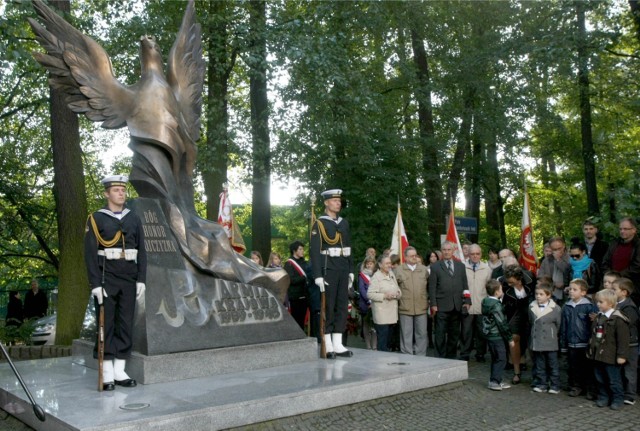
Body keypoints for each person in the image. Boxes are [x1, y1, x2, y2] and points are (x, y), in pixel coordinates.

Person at [84, 175, 146, 391]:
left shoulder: (133, 218)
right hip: (106, 276)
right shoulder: (96, 218)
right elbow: (90, 254)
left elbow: (142, 251)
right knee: (107, 324)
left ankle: (120, 370)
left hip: (129, 276)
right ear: (106, 194)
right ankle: (107, 372)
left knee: (125, 323)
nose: (122, 193)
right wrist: (95, 284)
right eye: (116, 189)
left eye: (123, 189)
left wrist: (141, 279)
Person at [310, 189, 354, 358]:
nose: (338, 203)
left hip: (343, 267)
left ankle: (338, 343)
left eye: (339, 200)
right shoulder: (320, 224)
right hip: (328, 268)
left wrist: (351, 270)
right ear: (327, 203)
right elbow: (315, 251)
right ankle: (327, 344)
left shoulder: (344, 223)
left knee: (342, 306)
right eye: (335, 200)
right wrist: (318, 275)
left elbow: (349, 247)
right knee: (328, 306)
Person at [587, 289, 630, 410]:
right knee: (600, 378)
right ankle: (603, 397)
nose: (598, 304)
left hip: (611, 356)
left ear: (610, 303)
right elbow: (593, 336)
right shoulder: (598, 317)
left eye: (601, 302)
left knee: (614, 379)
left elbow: (623, 340)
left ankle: (617, 398)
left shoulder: (618, 319)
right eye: (597, 302)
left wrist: (622, 355)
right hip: (597, 354)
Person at [428, 241, 469, 359]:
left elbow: (465, 285)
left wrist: (467, 301)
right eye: (444, 250)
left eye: (448, 250)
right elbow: (432, 287)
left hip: (457, 306)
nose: (446, 252)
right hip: (441, 306)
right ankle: (439, 358)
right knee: (440, 334)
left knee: (454, 335)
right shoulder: (435, 266)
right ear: (441, 251)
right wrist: (433, 304)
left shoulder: (460, 266)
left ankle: (451, 358)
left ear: (453, 251)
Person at [560, 279, 598, 398]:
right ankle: (576, 386)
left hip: (585, 342)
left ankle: (590, 389)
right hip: (571, 342)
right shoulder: (566, 307)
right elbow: (563, 327)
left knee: (587, 367)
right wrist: (563, 344)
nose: (571, 291)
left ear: (583, 292)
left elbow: (592, 326)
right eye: (570, 289)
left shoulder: (589, 306)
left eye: (574, 289)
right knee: (573, 367)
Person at [501, 265, 534, 384]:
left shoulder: (530, 280)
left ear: (518, 278)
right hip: (514, 314)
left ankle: (537, 372)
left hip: (530, 312)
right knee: (514, 339)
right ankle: (516, 371)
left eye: (511, 282)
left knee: (530, 340)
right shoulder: (504, 285)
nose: (508, 284)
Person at [394, 246, 429, 356]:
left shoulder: (423, 269)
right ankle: (406, 357)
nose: (414, 257)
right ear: (405, 257)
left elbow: (429, 286)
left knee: (422, 333)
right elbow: (394, 287)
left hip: (421, 306)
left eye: (415, 255)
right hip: (405, 307)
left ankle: (421, 356)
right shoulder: (398, 270)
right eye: (412, 256)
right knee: (406, 334)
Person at [482, 279, 515, 391]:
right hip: (496, 336)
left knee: (495, 358)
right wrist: (509, 338)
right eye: (501, 289)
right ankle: (494, 381)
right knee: (501, 358)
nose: (502, 291)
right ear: (497, 292)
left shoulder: (485, 302)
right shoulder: (496, 305)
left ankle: (497, 379)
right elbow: (502, 323)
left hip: (489, 335)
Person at [461, 244, 492, 362]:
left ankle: (480, 353)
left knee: (481, 332)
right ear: (468, 254)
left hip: (481, 304)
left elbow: (490, 287)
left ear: (481, 254)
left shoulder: (487, 268)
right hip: (467, 305)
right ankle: (465, 353)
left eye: (477, 254)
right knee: (466, 331)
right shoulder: (462, 267)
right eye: (472, 254)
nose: (475, 256)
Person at [529, 282, 561, 394]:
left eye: (541, 294)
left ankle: (555, 385)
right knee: (540, 364)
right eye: (536, 294)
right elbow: (531, 322)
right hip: (537, 341)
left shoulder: (556, 308)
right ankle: (541, 383)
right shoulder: (531, 307)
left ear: (548, 295)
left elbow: (558, 324)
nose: (538, 296)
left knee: (553, 364)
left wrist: (552, 334)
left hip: (550, 341)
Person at [612, 278, 639, 405]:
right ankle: (620, 392)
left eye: (614, 289)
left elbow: (630, 321)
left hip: (630, 343)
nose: (612, 292)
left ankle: (630, 395)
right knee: (619, 370)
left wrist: (615, 313)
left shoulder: (629, 306)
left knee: (630, 370)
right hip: (619, 342)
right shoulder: (615, 304)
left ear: (624, 292)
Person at [602, 217, 640, 306]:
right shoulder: (614, 243)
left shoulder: (638, 245)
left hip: (631, 287)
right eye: (620, 229)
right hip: (611, 286)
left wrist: (618, 277)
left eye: (625, 229)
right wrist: (609, 277)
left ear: (634, 230)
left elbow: (637, 266)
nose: (622, 231)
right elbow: (605, 262)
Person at [367, 255, 401, 352]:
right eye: (386, 263)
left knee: (389, 341)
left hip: (392, 314)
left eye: (390, 263)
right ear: (380, 265)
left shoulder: (391, 274)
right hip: (382, 314)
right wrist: (384, 296)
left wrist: (398, 293)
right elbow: (369, 294)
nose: (389, 265)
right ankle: (382, 363)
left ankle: (388, 363)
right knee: (383, 342)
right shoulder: (376, 277)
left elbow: (397, 288)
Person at [537, 237, 571, 304]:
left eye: (559, 248)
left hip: (568, 292)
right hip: (551, 292)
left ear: (564, 246)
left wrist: (558, 260)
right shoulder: (547, 260)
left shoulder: (570, 257)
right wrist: (554, 284)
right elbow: (540, 276)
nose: (557, 251)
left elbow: (568, 271)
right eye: (554, 249)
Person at [283, 241, 308, 331]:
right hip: (295, 297)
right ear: (294, 251)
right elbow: (291, 280)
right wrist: (304, 278)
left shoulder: (304, 263)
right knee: (296, 320)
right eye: (300, 249)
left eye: (302, 249)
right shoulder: (289, 264)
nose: (302, 251)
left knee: (302, 321)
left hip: (305, 296)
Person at [358, 256, 377, 350]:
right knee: (366, 323)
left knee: (375, 324)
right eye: (367, 263)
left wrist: (374, 300)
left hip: (376, 302)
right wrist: (369, 300)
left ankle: (374, 345)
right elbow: (361, 289)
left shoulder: (377, 274)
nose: (369, 265)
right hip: (365, 303)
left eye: (371, 263)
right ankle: (368, 345)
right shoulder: (362, 275)